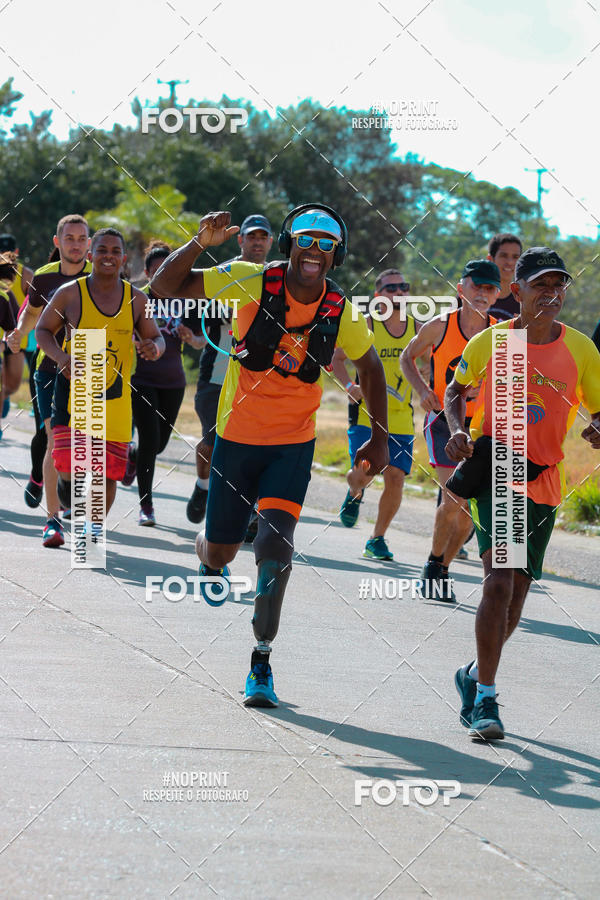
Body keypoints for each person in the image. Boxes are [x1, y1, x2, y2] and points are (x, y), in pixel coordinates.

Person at [152, 206, 388, 708]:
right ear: (290, 244)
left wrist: (378, 436)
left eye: (327, 245)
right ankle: (206, 550)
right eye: (306, 240)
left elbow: (371, 366)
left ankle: (261, 660)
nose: (315, 252)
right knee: (222, 550)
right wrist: (201, 243)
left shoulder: (340, 311)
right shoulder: (248, 280)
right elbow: (164, 287)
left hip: (293, 445)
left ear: (337, 255)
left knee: (276, 549)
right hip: (237, 440)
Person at [446, 247, 600, 740]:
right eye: (540, 286)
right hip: (498, 466)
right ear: (518, 291)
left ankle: (471, 676)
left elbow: (598, 409)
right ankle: (488, 699)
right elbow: (455, 389)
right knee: (500, 581)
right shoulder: (497, 342)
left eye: (559, 286)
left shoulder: (581, 350)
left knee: (515, 600)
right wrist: (456, 428)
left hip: (545, 478)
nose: (551, 295)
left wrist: (598, 427)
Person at [35, 228, 165, 524]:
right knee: (70, 470)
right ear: (91, 255)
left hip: (115, 398)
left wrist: (153, 348)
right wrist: (61, 357)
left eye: (115, 251)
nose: (109, 256)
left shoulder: (137, 300)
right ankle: (67, 490)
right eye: (102, 250)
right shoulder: (70, 293)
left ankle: (93, 530)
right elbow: (42, 331)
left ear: (124, 258)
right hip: (74, 393)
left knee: (107, 472)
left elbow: (157, 338)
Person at [401, 259, 500, 601]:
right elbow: (406, 357)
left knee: (472, 511)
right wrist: (423, 390)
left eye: (490, 288)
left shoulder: (502, 332)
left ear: (497, 293)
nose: (483, 294)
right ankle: (433, 565)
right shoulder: (439, 327)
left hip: (483, 426)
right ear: (461, 289)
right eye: (477, 286)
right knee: (454, 498)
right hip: (444, 422)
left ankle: (441, 566)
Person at [7, 215, 92, 547]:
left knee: (82, 446)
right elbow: (30, 315)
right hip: (49, 367)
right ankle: (52, 522)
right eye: (68, 238)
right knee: (55, 439)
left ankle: (77, 510)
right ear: (57, 243)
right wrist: (18, 334)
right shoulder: (43, 277)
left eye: (81, 238)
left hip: (91, 365)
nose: (75, 244)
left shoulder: (101, 276)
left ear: (89, 242)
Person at [187, 213, 273, 535]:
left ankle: (248, 514)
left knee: (250, 447)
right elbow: (205, 317)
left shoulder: (275, 278)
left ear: (269, 242)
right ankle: (203, 485)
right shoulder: (225, 274)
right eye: (251, 236)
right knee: (212, 444)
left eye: (262, 237)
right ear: (241, 240)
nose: (257, 242)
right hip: (217, 374)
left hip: (257, 379)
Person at [333, 268, 417, 560]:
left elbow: (430, 363)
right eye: (392, 288)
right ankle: (354, 493)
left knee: (396, 477)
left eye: (404, 287)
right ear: (378, 295)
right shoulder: (366, 323)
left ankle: (377, 539)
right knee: (365, 473)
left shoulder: (417, 327)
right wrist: (348, 385)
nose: (399, 292)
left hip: (402, 416)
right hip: (366, 414)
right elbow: (337, 358)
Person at [131, 241, 205, 525]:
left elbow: (201, 341)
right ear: (149, 273)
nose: (162, 272)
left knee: (158, 445)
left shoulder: (187, 300)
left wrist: (191, 337)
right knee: (149, 441)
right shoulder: (137, 299)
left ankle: (132, 456)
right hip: (142, 379)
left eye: (168, 267)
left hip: (174, 382)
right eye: (156, 269)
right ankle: (145, 505)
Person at [0, 236, 34, 420]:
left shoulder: (26, 275)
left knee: (12, 385)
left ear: (16, 254)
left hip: (17, 337)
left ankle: (4, 396)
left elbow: (36, 304)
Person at [487, 233, 522, 321]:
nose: (510, 262)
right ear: (490, 259)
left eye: (515, 257)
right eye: (504, 256)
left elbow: (522, 335)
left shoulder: (524, 302)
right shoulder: (470, 295)